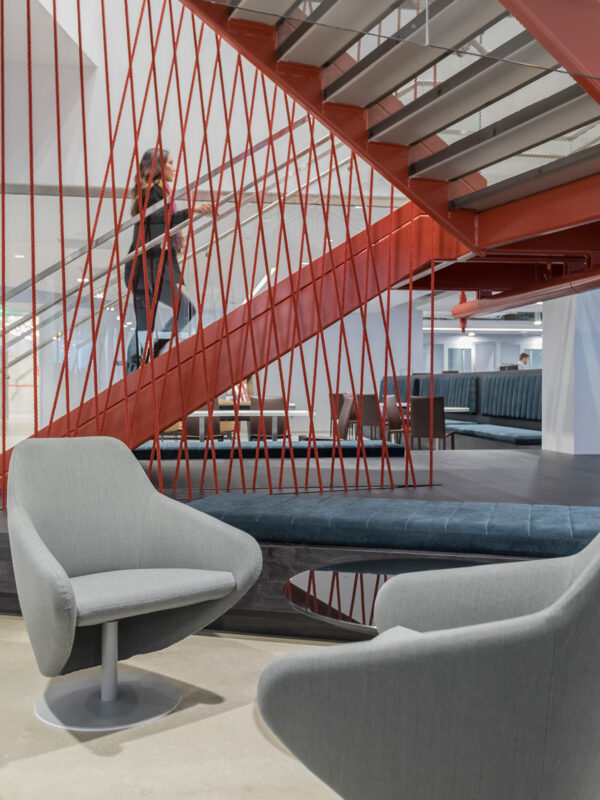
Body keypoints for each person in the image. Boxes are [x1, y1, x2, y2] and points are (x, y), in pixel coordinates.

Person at [125, 148, 212, 372]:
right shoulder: (151, 191)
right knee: (181, 312)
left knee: (149, 324)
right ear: (158, 167)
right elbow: (158, 221)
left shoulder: (159, 192)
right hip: (148, 270)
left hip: (149, 270)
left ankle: (142, 363)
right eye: (171, 163)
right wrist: (191, 211)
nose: (175, 167)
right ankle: (142, 362)